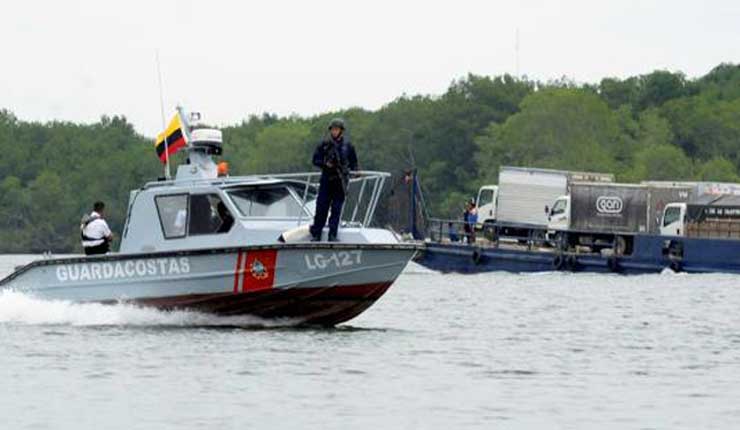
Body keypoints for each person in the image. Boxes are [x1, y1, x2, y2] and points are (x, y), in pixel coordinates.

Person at [309, 118, 358, 242]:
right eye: (333, 129)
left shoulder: (348, 146)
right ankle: (316, 234)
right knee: (321, 207)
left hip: (340, 181)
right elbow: (315, 160)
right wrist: (326, 164)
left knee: (336, 209)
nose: (334, 132)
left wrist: (355, 171)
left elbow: (354, 162)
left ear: (341, 131)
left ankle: (332, 235)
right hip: (326, 180)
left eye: (337, 129)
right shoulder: (324, 144)